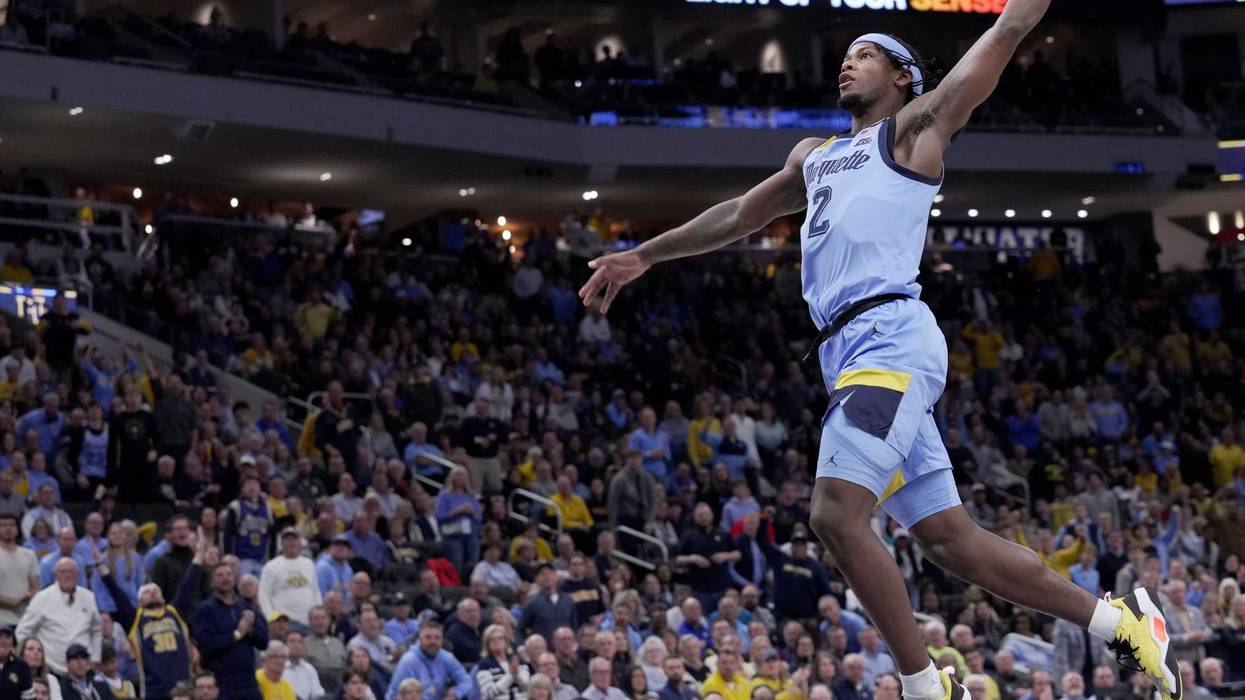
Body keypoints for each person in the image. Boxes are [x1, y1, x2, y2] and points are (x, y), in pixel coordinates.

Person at [576, 3, 1180, 698]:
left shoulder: (914, 130)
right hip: (847, 354)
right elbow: (741, 215)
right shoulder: (814, 155)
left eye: (863, 53)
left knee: (834, 513)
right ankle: (1122, 624)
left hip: (888, 338)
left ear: (901, 77)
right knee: (948, 540)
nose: (846, 60)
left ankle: (924, 686)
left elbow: (1006, 29)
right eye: (845, 53)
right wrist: (644, 257)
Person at [192, 562, 269, 699]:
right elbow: (206, 645)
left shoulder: (246, 606)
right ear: (212, 581)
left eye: (229, 574)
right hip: (221, 683)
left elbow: (263, 642)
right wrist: (237, 634)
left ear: (235, 579)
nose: (225, 578)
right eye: (220, 575)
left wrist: (250, 630)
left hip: (248, 681)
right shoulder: (206, 609)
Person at [17, 557, 101, 675]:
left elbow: (96, 631)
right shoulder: (42, 598)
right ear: (55, 575)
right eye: (63, 572)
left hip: (83, 668)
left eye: (71, 572)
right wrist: (33, 661)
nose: (67, 575)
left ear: (78, 576)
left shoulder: (89, 597)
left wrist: (95, 659)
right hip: (50, 668)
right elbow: (22, 632)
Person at [386, 621, 473, 700]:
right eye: (428, 638)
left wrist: (455, 694)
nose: (433, 642)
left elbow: (467, 681)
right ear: (420, 640)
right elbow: (394, 696)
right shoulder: (408, 661)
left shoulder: (446, 657)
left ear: (442, 641)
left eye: (437, 638)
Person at [260, 528, 322, 627]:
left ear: (300, 542)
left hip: (308, 623)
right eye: (287, 539)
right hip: (285, 623)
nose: (291, 542)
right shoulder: (271, 566)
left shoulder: (309, 564)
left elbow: (316, 591)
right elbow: (263, 595)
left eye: (294, 539)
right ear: (282, 543)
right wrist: (271, 618)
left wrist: (318, 614)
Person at [519, 563, 577, 645]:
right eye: (542, 574)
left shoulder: (568, 600)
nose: (547, 576)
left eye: (550, 573)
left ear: (556, 576)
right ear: (536, 579)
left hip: (566, 647)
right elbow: (521, 629)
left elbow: (574, 626)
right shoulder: (531, 603)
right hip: (543, 650)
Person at [0, 513, 39, 629]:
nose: (8, 528)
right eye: (3, 525)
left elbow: (35, 586)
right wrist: (12, 602)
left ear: (17, 530)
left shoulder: (29, 555)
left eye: (12, 525)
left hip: (24, 619)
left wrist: (28, 596)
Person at [477, 623, 531, 700]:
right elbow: (488, 693)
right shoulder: (484, 664)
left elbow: (528, 687)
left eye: (500, 638)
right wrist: (510, 676)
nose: (496, 641)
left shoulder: (518, 660)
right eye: (492, 639)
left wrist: (517, 676)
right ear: (487, 644)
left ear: (506, 641)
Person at [282, 629, 326, 700]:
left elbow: (317, 694)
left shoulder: (309, 669)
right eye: (292, 641)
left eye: (300, 642)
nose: (296, 644)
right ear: (285, 645)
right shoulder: (279, 667)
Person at [0, 624, 33, 700]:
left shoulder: (22, 666)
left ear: (13, 643)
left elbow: (29, 697)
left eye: (7, 637)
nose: (3, 641)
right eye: (0, 636)